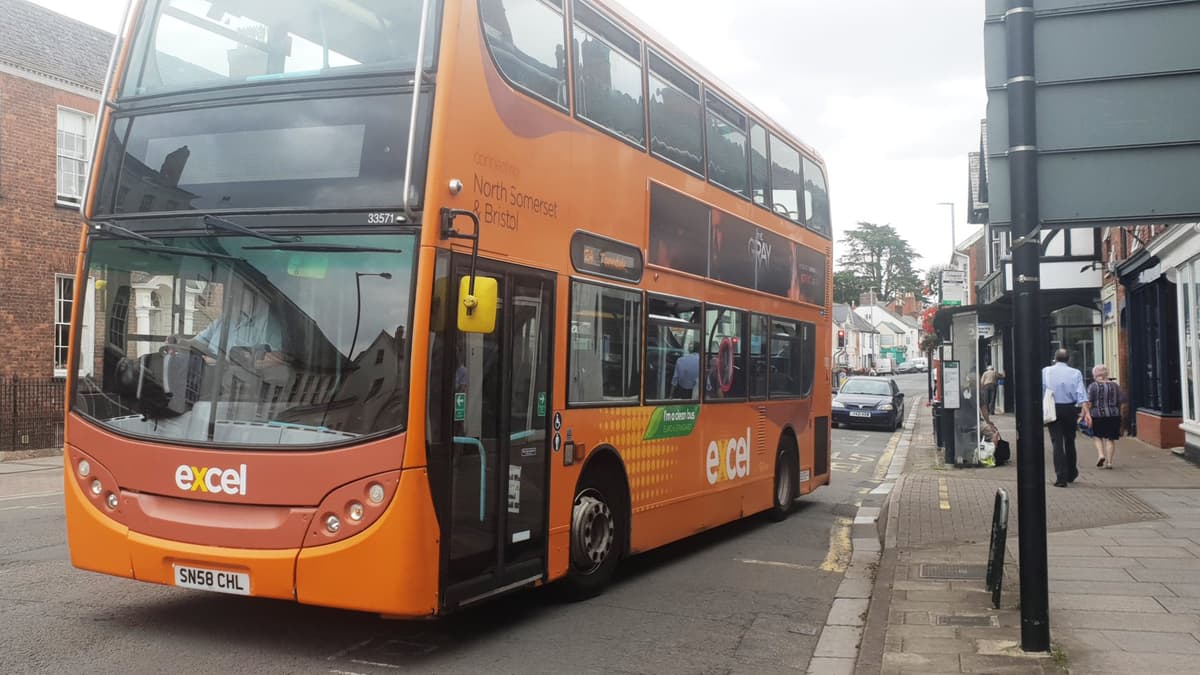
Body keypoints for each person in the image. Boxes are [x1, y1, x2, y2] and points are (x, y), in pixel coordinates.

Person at [1043, 349, 1092, 487]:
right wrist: (1086, 413)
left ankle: (1061, 477)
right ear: (1068, 359)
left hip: (1053, 409)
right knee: (1070, 441)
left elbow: (1042, 391)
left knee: (1057, 443)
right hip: (1070, 409)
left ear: (1055, 358)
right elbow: (1081, 394)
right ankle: (1071, 473)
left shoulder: (1046, 371)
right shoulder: (1076, 373)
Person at [1086, 364, 1126, 469]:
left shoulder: (1093, 386)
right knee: (1110, 438)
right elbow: (1121, 401)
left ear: (1095, 375)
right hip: (1113, 414)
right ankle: (1109, 462)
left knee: (1097, 436)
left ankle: (1101, 455)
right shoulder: (1115, 386)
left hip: (1097, 415)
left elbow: (1089, 402)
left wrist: (1087, 413)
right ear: (1106, 374)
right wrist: (1120, 414)